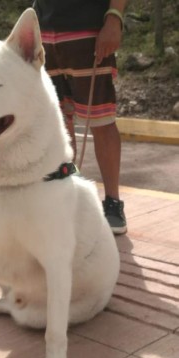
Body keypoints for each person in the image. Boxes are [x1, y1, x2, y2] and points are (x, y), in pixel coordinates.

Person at [33, 0, 128, 234]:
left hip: (89, 33)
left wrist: (114, 18)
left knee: (102, 120)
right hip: (42, 34)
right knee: (58, 125)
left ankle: (113, 203)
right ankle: (65, 198)